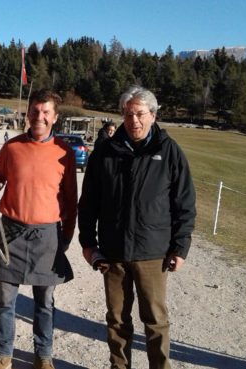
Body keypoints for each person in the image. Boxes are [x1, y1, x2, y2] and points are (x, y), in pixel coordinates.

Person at [78, 86, 196, 369]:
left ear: (153, 116)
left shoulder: (169, 152)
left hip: (152, 253)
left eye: (140, 114)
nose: (134, 121)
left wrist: (180, 247)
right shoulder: (105, 151)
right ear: (122, 115)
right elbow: (89, 200)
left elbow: (184, 203)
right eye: (129, 114)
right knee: (117, 319)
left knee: (155, 320)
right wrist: (88, 243)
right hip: (113, 252)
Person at [0, 89, 78, 369]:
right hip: (11, 233)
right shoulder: (11, 148)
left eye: (46, 112)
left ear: (55, 118)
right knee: (4, 301)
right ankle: (3, 354)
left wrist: (67, 236)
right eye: (35, 111)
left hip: (47, 235)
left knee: (45, 302)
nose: (40, 117)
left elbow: (71, 200)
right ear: (28, 114)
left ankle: (43, 355)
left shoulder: (64, 152)